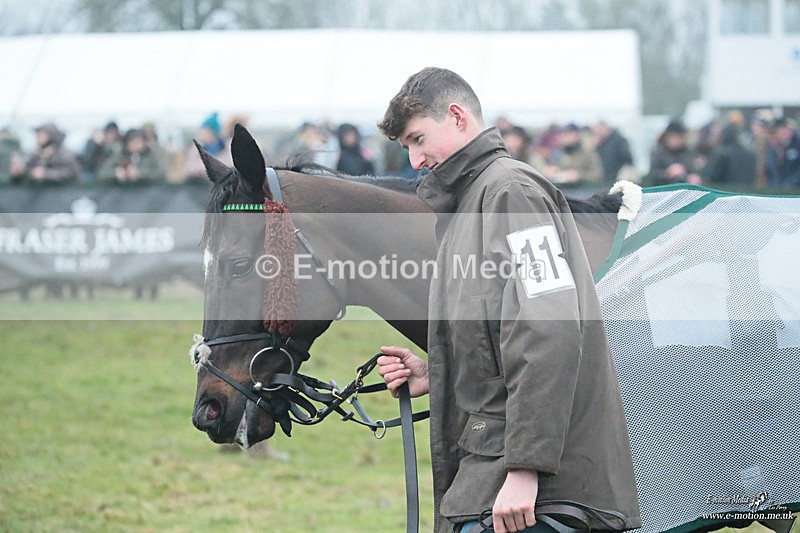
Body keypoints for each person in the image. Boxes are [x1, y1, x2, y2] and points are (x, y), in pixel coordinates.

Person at [375, 67, 640, 533]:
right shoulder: (470, 202)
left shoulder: (510, 193)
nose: (414, 159)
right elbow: (497, 338)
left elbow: (550, 329)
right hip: (496, 470)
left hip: (539, 492)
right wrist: (435, 374)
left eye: (418, 139)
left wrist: (525, 469)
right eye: (406, 148)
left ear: (457, 117)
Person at [13, 122, 81, 184]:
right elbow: (28, 165)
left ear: (51, 136)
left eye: (43, 134)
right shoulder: (36, 153)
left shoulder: (64, 154)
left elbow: (71, 172)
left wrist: (46, 174)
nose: (39, 137)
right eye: (39, 134)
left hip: (60, 193)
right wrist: (20, 169)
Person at [97, 127, 167, 184]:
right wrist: (116, 173)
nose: (136, 145)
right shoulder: (119, 155)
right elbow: (102, 173)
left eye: (139, 142)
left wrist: (140, 173)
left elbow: (161, 173)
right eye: (133, 142)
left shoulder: (149, 155)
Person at [646, 119, 702, 186]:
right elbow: (652, 175)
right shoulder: (658, 151)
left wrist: (693, 177)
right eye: (674, 136)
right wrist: (667, 173)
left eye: (680, 137)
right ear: (667, 136)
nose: (677, 140)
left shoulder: (688, 152)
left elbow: (693, 169)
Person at [702, 123, 756, 188]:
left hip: (726, 194)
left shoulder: (722, 154)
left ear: (724, 136)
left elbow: (712, 178)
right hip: (747, 194)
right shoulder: (750, 155)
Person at [764, 118, 800, 191]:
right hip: (777, 192)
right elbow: (771, 172)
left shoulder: (797, 144)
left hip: (795, 192)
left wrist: (787, 185)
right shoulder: (771, 148)